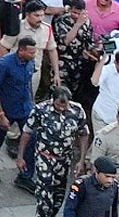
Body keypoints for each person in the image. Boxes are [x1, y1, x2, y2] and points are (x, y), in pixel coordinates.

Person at [16, 85, 90, 213]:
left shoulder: (77, 111)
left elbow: (83, 134)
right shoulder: (40, 110)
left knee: (58, 199)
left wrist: (81, 160)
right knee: (45, 201)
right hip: (45, 158)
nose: (61, 108)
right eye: (58, 105)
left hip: (64, 161)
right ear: (52, 100)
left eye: (64, 106)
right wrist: (20, 156)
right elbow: (27, 132)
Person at [0, 36, 36, 183]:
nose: (34, 55)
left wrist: (32, 104)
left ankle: (25, 175)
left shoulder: (30, 63)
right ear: (21, 50)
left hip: (24, 108)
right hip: (6, 108)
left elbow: (28, 84)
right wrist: (0, 114)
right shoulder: (5, 64)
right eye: (31, 52)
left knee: (30, 139)